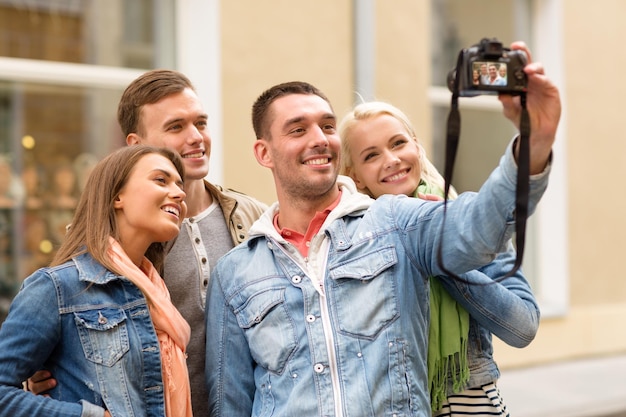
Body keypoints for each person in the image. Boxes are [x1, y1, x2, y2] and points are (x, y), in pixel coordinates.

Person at [204, 41, 560, 416]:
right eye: (298, 129)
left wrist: (535, 141)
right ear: (264, 153)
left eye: (327, 125)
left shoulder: (395, 222)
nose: (319, 138)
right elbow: (230, 403)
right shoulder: (235, 272)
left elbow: (479, 225)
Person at [27, 69, 268, 416]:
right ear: (135, 145)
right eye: (176, 127)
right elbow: (62, 322)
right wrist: (44, 373)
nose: (196, 137)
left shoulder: (254, 217)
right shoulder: (107, 237)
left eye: (200, 123)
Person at [338, 100, 540, 416]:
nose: (391, 159)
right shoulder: (348, 245)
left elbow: (522, 327)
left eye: (398, 143)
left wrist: (443, 254)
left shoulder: (470, 224)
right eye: (372, 155)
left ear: (416, 147)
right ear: (356, 176)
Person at [0, 145, 191, 417]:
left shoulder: (157, 294)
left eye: (179, 185)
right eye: (161, 180)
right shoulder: (57, 288)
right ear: (117, 196)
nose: (180, 193)